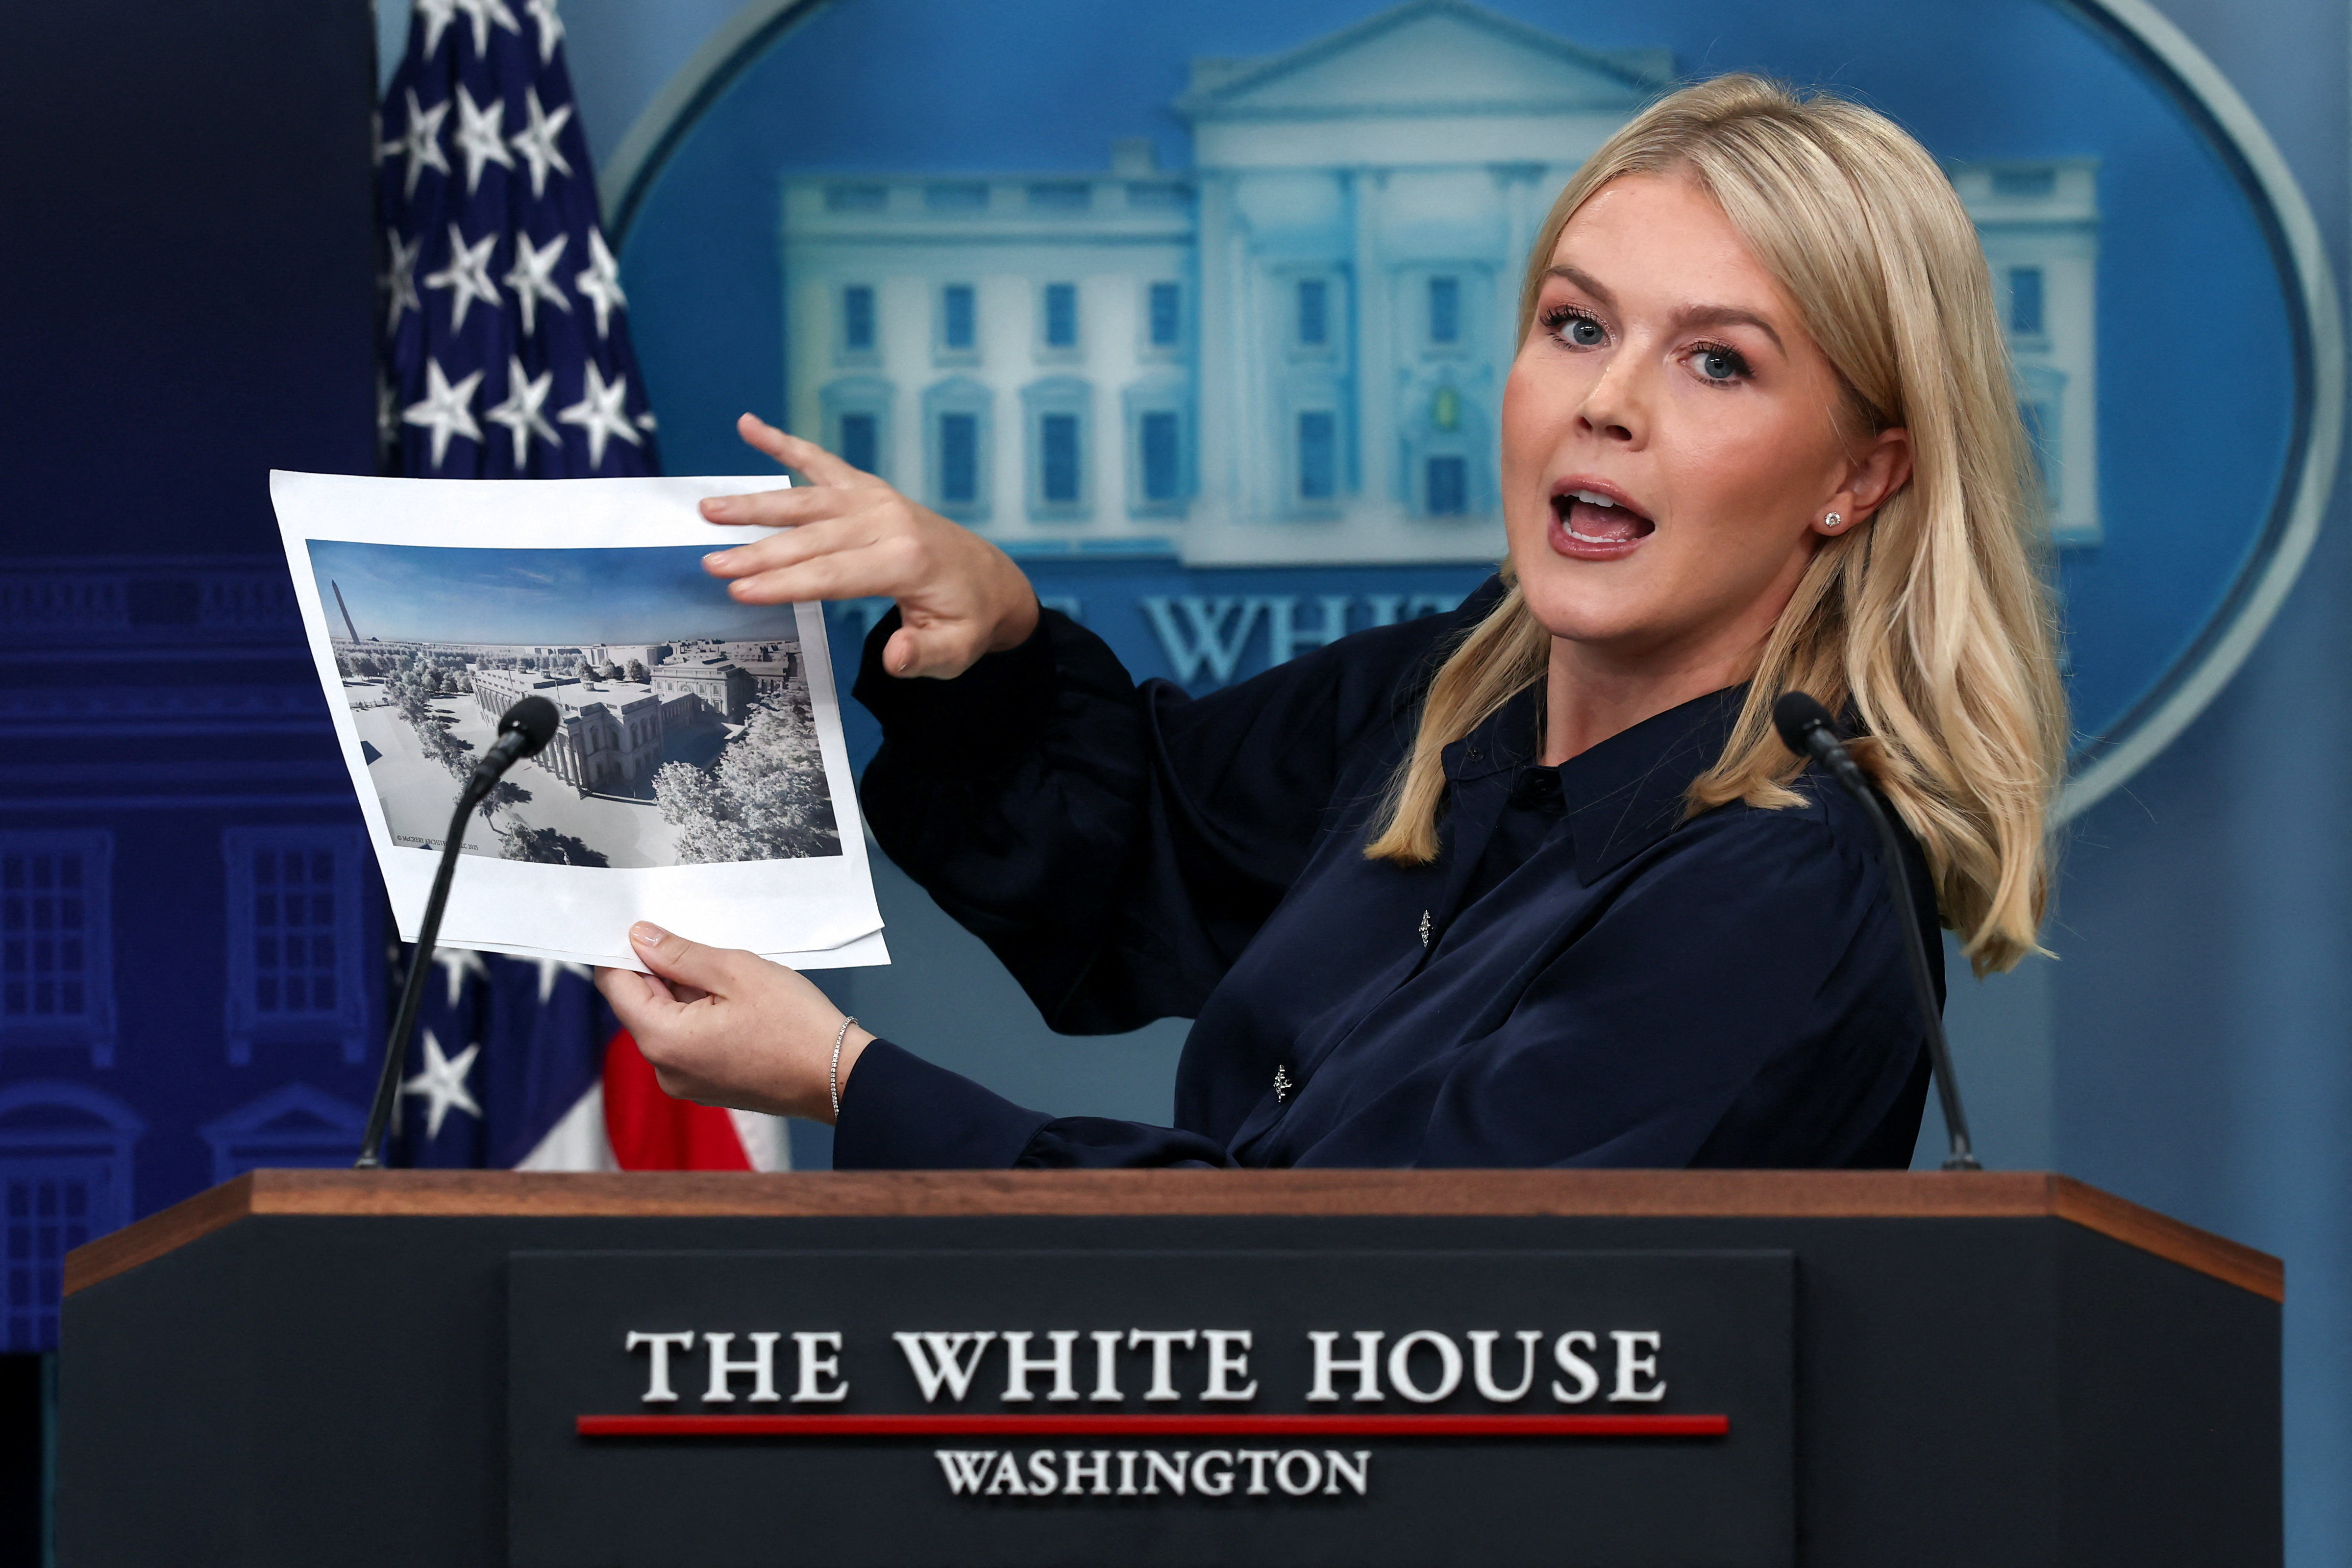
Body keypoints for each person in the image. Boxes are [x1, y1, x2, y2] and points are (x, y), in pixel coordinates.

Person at [595, 75, 2066, 1170]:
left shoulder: (1788, 880)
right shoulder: (1453, 691)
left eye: (1718, 363)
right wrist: (993, 627)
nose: (1608, 401)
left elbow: (1341, 1287)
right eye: (1576, 325)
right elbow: (1149, 853)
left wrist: (849, 1080)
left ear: (1862, 475)